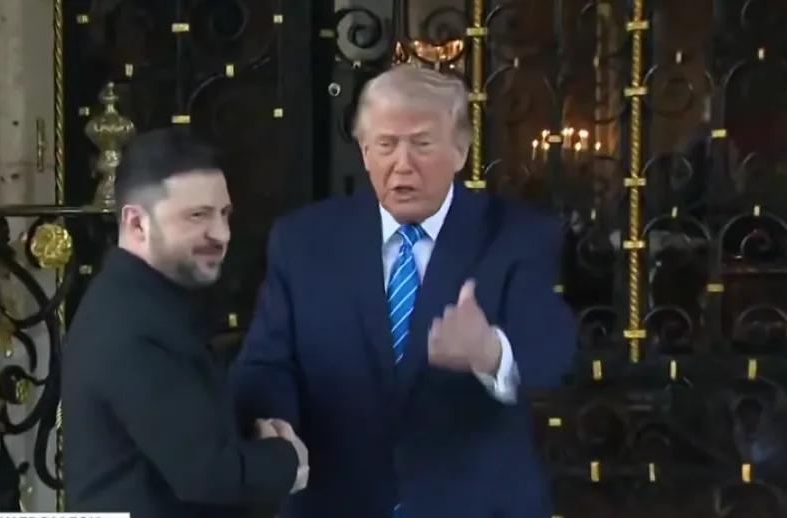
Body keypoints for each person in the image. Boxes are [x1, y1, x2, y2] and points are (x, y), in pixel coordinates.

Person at [231, 65, 577, 518]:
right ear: (364, 151)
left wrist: (491, 352)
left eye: (422, 144)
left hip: (474, 504)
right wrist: (275, 426)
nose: (403, 164)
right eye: (386, 145)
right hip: (335, 502)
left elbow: (553, 352)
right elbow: (266, 362)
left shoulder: (517, 235)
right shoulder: (303, 240)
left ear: (460, 150)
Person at [62, 127, 309, 518]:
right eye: (198, 216)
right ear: (136, 223)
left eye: (224, 214)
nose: (221, 234)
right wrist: (288, 459)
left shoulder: (145, 301)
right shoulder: (134, 326)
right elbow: (208, 474)